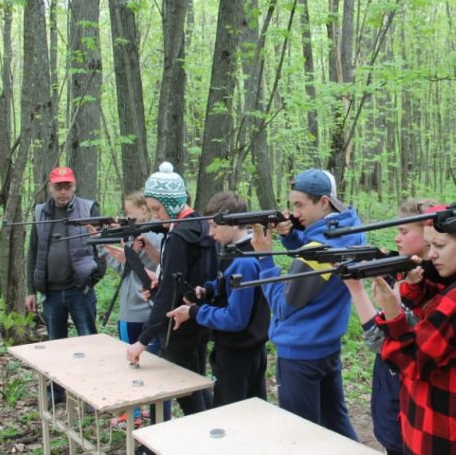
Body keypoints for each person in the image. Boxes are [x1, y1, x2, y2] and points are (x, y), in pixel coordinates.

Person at [251, 168, 366, 439]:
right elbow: (315, 259)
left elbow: (282, 306)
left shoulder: (320, 250)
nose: (295, 212)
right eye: (293, 205)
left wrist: (265, 259)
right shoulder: (350, 229)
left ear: (324, 202)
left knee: (301, 436)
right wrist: (292, 236)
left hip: (300, 352)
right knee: (337, 427)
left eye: (300, 205)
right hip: (327, 345)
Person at [372, 210, 456, 455]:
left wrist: (392, 313)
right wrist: (418, 284)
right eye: (429, 245)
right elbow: (441, 303)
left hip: (440, 431)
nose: (431, 255)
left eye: (439, 245)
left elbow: (409, 362)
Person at [342, 197, 438, 455]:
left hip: (408, 402)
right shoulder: (406, 272)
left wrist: (356, 289)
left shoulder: (427, 284)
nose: (396, 238)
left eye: (404, 231)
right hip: (392, 392)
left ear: (429, 235)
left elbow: (379, 341)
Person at [125, 162, 218, 416]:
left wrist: (142, 341)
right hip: (200, 318)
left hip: (179, 325)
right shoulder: (202, 227)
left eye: (157, 208)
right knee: (198, 385)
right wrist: (160, 286)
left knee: (189, 395)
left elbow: (169, 294)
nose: (156, 215)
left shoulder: (178, 237)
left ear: (173, 202)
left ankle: (205, 435)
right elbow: (184, 280)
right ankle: (214, 429)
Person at [166, 191, 270, 408]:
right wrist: (208, 289)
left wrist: (194, 312)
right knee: (251, 412)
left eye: (214, 226)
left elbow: (235, 319)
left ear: (233, 223)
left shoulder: (244, 261)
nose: (210, 233)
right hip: (246, 349)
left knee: (231, 415)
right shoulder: (236, 251)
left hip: (238, 355)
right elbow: (228, 283)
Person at [25, 166, 107, 405]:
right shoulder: (40, 212)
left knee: (88, 341)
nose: (63, 192)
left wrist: (93, 277)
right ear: (50, 187)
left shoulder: (88, 208)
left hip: (80, 290)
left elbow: (102, 245)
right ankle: (57, 390)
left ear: (74, 186)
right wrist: (31, 289)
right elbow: (33, 251)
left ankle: (93, 392)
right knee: (56, 345)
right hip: (51, 293)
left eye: (67, 186)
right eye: (58, 187)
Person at [102, 191, 164, 428]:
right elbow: (125, 269)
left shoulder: (149, 236)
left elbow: (136, 266)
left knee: (135, 365)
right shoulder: (146, 236)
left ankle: (136, 414)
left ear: (144, 210)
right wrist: (106, 245)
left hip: (138, 311)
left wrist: (115, 245)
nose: (126, 217)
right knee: (148, 366)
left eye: (130, 213)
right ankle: (145, 411)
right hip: (145, 311)